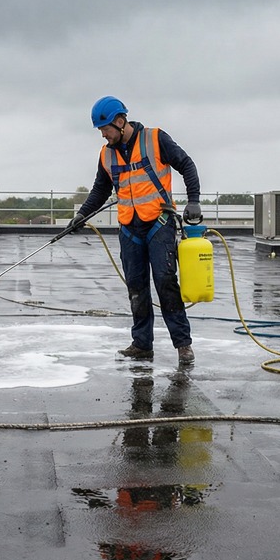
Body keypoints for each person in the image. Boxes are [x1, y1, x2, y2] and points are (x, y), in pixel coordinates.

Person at [70, 96, 202, 365]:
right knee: (136, 287)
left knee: (165, 283)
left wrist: (194, 200)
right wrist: (81, 215)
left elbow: (186, 164)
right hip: (129, 228)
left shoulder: (155, 139)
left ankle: (183, 345)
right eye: (100, 130)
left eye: (105, 128)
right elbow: (100, 189)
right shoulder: (106, 154)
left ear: (120, 121)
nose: (103, 135)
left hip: (159, 223)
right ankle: (142, 344)